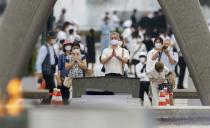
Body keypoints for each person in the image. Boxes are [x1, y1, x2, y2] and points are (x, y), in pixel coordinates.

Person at [36, 31, 58, 104]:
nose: (54, 39)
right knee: (51, 87)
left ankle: (45, 101)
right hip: (46, 70)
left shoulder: (51, 47)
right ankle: (45, 101)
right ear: (48, 38)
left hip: (51, 70)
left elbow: (53, 58)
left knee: (48, 88)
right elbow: (39, 61)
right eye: (53, 38)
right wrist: (39, 72)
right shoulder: (44, 48)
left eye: (55, 38)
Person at [57, 40, 72, 105]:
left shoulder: (73, 56)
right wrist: (58, 79)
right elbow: (59, 69)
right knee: (61, 95)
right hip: (62, 78)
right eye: (66, 45)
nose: (68, 47)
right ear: (64, 47)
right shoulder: (61, 56)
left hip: (69, 79)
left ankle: (65, 106)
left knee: (67, 95)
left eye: (69, 45)